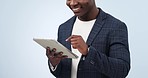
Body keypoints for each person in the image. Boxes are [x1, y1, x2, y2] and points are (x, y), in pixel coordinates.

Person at [46, 0, 131, 78]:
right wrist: (54, 63)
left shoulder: (115, 27)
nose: (72, 3)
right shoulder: (64, 28)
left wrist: (88, 52)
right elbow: (63, 73)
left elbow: (122, 70)